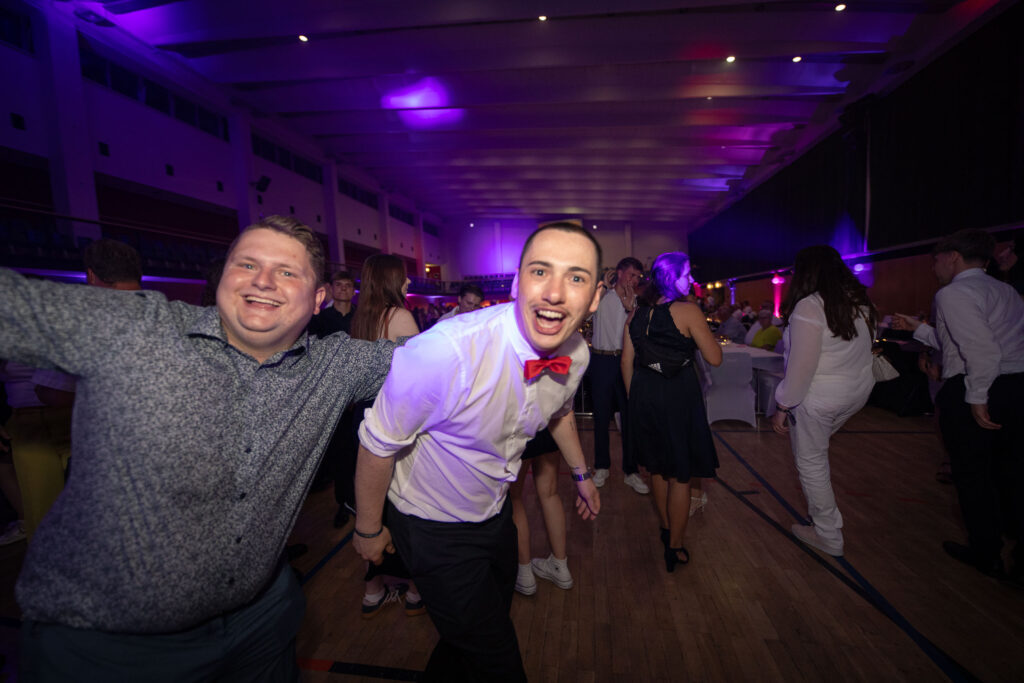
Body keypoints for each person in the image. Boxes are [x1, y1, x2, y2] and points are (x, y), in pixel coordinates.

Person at [0, 215, 398, 680]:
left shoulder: (336, 365)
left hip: (261, 624)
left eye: (287, 271)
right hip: (107, 646)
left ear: (318, 299)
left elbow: (440, 355)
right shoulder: (137, 327)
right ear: (222, 276)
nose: (263, 280)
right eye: (246, 264)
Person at [353, 222, 602, 682]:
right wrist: (368, 530)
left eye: (576, 277)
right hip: (431, 525)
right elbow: (377, 443)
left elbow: (560, 412)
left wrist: (582, 475)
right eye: (540, 271)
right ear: (516, 282)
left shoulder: (578, 356)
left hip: (495, 514)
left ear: (595, 297)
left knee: (470, 635)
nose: (554, 292)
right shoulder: (443, 352)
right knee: (496, 659)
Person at [893, 229, 1024, 584]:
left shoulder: (952, 293)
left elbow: (981, 351)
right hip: (1015, 387)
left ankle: (986, 552)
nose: (933, 266)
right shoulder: (1005, 290)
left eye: (936, 259)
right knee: (1012, 473)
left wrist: (978, 397)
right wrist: (920, 328)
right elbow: (961, 342)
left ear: (952, 256)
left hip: (977, 385)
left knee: (973, 475)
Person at [771, 245, 877, 557]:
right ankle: (823, 521)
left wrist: (783, 406)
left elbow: (801, 368)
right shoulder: (860, 303)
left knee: (811, 461)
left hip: (820, 397)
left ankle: (827, 533)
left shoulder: (810, 306)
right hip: (855, 393)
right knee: (814, 450)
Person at [621, 252, 722, 572]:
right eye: (686, 274)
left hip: (645, 395)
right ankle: (674, 546)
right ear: (671, 277)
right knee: (680, 473)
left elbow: (626, 362)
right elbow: (715, 358)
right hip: (678, 395)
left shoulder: (636, 314)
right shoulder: (688, 311)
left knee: (657, 467)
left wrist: (636, 399)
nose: (690, 279)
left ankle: (666, 529)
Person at [345, 254, 425, 618]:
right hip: (392, 422)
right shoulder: (399, 316)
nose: (408, 283)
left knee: (370, 508)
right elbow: (421, 374)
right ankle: (415, 591)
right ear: (391, 280)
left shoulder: (362, 317)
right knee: (403, 507)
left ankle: (373, 590)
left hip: (362, 420)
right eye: (403, 277)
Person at [590, 256, 648, 494]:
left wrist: (630, 307)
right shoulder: (601, 295)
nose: (634, 280)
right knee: (601, 417)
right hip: (601, 360)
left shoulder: (636, 302)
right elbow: (584, 315)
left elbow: (640, 333)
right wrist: (602, 288)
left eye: (637, 277)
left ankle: (631, 471)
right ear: (619, 273)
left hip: (626, 361)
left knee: (629, 416)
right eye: (631, 275)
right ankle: (601, 466)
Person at [510, 429, 574, 595]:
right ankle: (560, 566)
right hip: (549, 426)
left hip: (522, 428)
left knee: (514, 498)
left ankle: (524, 573)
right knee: (550, 494)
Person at [308, 269, 356, 337]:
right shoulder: (318, 318)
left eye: (348, 285)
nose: (343, 288)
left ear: (354, 291)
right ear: (331, 289)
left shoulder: (361, 317)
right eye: (338, 284)